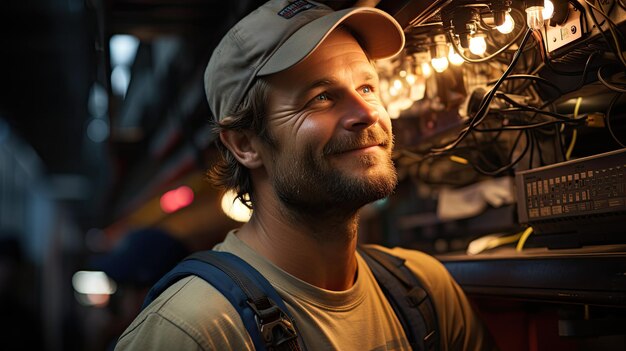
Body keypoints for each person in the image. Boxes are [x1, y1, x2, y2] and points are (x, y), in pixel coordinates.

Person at [115, 0, 496, 350]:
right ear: (245, 144)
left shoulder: (427, 291)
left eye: (367, 86)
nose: (367, 112)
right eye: (321, 97)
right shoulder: (191, 332)